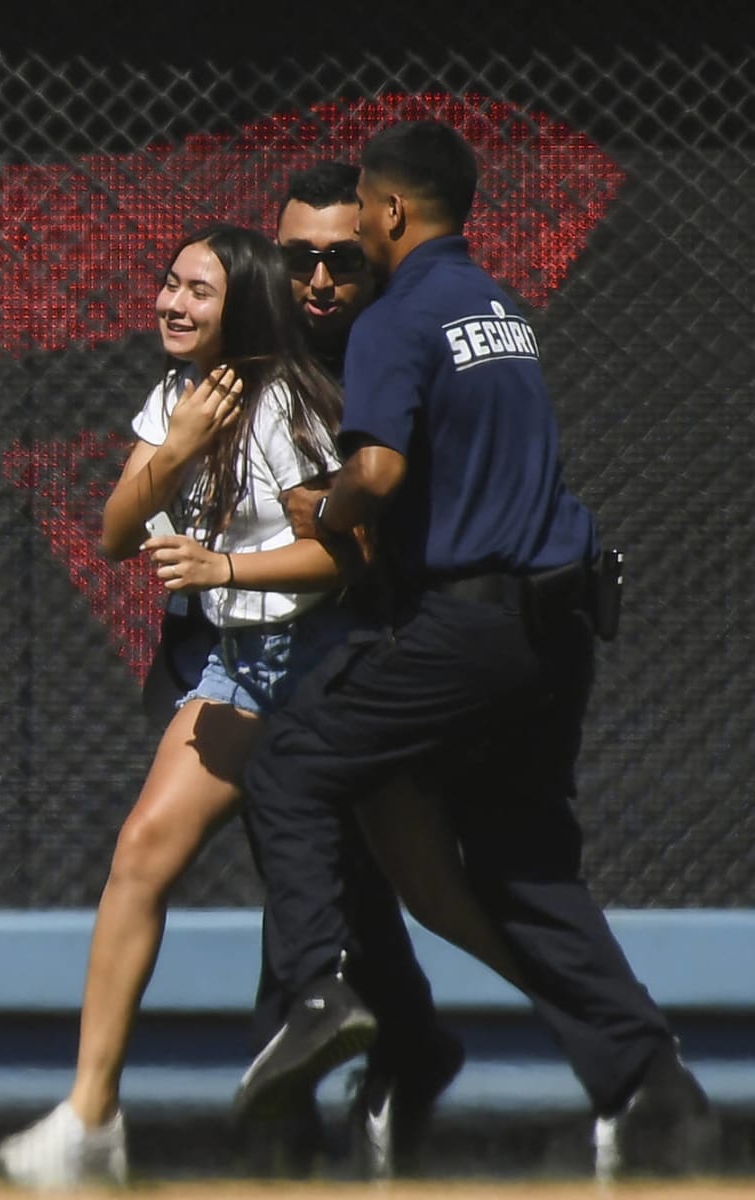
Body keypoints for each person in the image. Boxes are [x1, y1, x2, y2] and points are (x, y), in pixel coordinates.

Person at [233, 121, 715, 1182]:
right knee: (521, 867)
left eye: (360, 205)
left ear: (393, 213)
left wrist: (321, 504)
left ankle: (317, 991)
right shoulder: (498, 309)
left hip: (474, 622)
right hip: (559, 625)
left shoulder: (395, 315)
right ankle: (653, 1092)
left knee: (294, 764)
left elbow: (383, 474)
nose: (352, 225)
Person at [0, 222, 419, 1189]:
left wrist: (225, 563)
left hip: (320, 663)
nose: (173, 304)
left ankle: (575, 1050)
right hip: (235, 668)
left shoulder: (286, 407)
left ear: (244, 310)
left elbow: (348, 556)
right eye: (169, 283)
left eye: (199, 293)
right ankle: (90, 1121)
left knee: (411, 890)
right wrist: (177, 448)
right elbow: (111, 531)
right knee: (141, 853)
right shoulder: (179, 397)